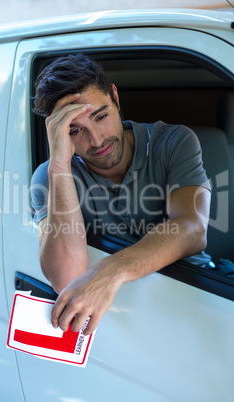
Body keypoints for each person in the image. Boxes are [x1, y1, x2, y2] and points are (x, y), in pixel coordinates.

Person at [31, 54, 211, 336]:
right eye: (75, 130)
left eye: (100, 117)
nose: (96, 140)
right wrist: (58, 165)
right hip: (125, 321)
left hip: (198, 293)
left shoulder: (173, 142)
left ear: (114, 96)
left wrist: (108, 272)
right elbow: (66, 277)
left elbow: (192, 228)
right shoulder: (50, 176)